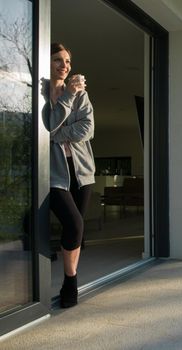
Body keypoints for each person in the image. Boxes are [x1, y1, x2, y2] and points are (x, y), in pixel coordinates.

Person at [46, 43, 95, 308]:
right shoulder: (41, 94)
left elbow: (87, 129)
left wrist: (55, 136)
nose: (64, 65)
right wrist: (66, 98)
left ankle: (68, 278)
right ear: (48, 63)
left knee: (75, 230)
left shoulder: (81, 95)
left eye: (67, 61)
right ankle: (71, 280)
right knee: (74, 225)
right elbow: (47, 124)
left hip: (82, 172)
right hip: (54, 174)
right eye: (57, 60)